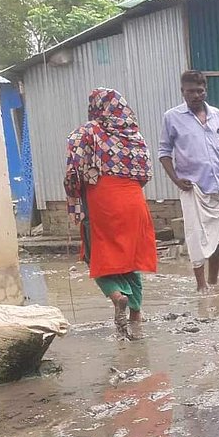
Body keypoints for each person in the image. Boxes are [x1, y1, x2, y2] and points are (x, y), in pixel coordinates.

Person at [65, 88, 158, 339]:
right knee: (131, 258)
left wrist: (74, 195)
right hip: (134, 200)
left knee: (96, 256)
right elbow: (146, 174)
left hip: (103, 200)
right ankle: (136, 317)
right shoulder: (135, 136)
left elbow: (73, 170)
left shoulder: (87, 131)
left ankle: (117, 296)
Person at [159, 70, 219, 292]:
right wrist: (176, 179)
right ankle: (201, 286)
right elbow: (164, 152)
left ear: (206, 90)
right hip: (193, 188)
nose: (195, 95)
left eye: (199, 91)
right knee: (195, 236)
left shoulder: (217, 115)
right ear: (182, 92)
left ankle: (213, 282)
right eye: (190, 91)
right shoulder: (172, 117)